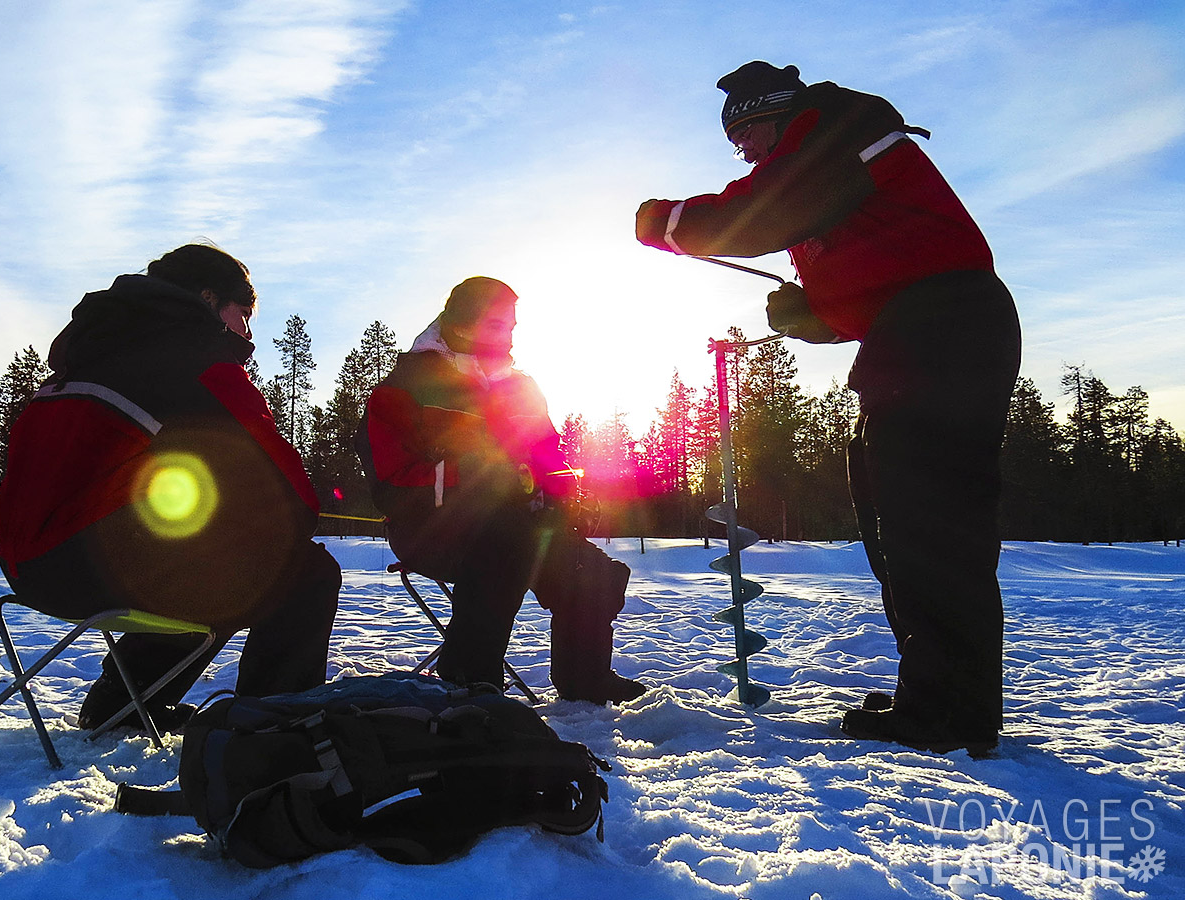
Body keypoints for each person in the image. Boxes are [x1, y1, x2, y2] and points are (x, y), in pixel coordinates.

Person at [635, 62, 1020, 754]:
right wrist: (810, 310)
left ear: (777, 114)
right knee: (896, 519)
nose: (745, 152)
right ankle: (936, 693)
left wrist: (667, 224)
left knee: (931, 526)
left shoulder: (834, 132)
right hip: (920, 334)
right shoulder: (833, 167)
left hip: (945, 330)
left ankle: (951, 714)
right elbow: (881, 266)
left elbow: (761, 210)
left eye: (746, 133)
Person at [0, 244, 340, 731]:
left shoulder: (92, 355)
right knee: (304, 572)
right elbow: (294, 500)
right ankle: (272, 729)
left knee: (204, 553)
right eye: (244, 313)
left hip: (26, 569)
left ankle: (125, 704)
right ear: (209, 299)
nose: (247, 331)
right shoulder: (200, 362)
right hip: (96, 571)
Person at [363, 277, 647, 704]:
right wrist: (467, 473)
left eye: (513, 326)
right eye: (499, 325)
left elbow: (549, 457)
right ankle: (471, 682)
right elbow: (389, 479)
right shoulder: (406, 386)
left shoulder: (522, 387)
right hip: (432, 528)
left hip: (521, 526)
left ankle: (584, 679)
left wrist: (567, 494)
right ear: (462, 322)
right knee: (503, 548)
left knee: (596, 574)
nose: (510, 336)